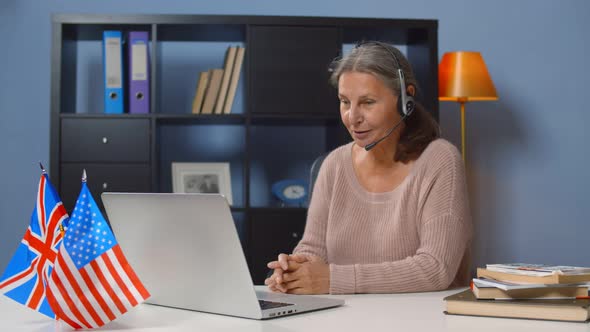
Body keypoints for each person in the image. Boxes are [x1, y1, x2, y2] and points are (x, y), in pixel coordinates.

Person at [265, 41, 472, 295]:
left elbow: (435, 268)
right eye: (344, 102)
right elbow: (313, 249)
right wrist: (295, 271)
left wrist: (332, 279)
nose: (352, 117)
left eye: (368, 102)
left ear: (405, 99)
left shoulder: (440, 160)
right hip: (344, 318)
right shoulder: (334, 164)